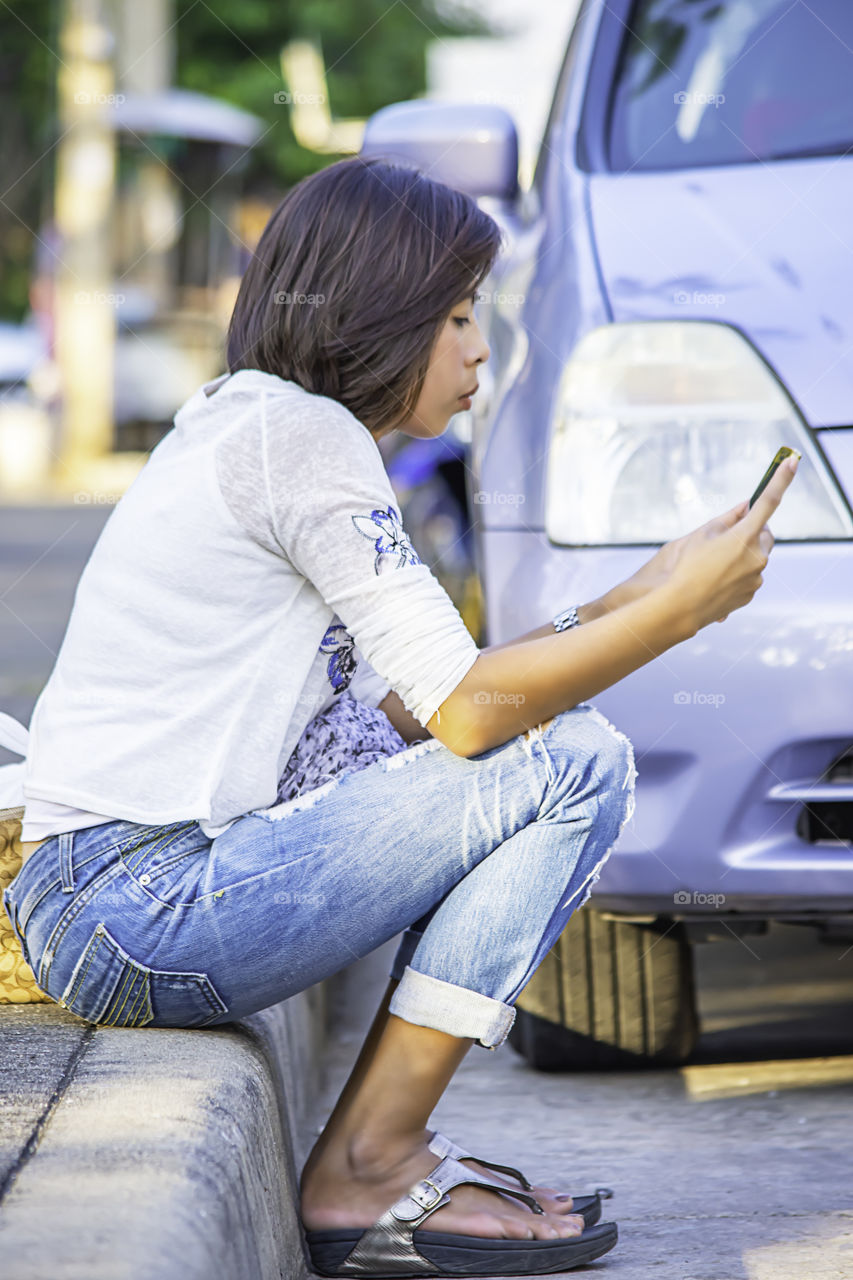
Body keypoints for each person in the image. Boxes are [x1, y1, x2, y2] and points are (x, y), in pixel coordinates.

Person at [3, 156, 797, 1277]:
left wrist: (632, 595)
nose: (481, 349)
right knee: (573, 760)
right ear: (379, 309)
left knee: (554, 749)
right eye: (460, 315)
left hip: (118, 897)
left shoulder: (265, 428)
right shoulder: (303, 438)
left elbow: (423, 705)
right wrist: (672, 618)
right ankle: (372, 1158)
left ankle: (375, 1153)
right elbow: (478, 720)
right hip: (137, 901)